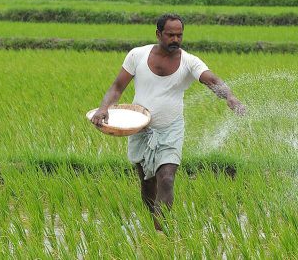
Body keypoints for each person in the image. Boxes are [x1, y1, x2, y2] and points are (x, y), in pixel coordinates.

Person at [91, 13, 245, 231]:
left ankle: (160, 231)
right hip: (140, 128)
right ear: (158, 34)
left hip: (170, 128)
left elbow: (212, 79)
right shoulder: (137, 55)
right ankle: (152, 223)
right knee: (147, 183)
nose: (175, 39)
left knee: (166, 179)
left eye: (179, 35)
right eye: (170, 35)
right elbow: (117, 87)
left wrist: (229, 96)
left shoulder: (189, 61)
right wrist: (103, 108)